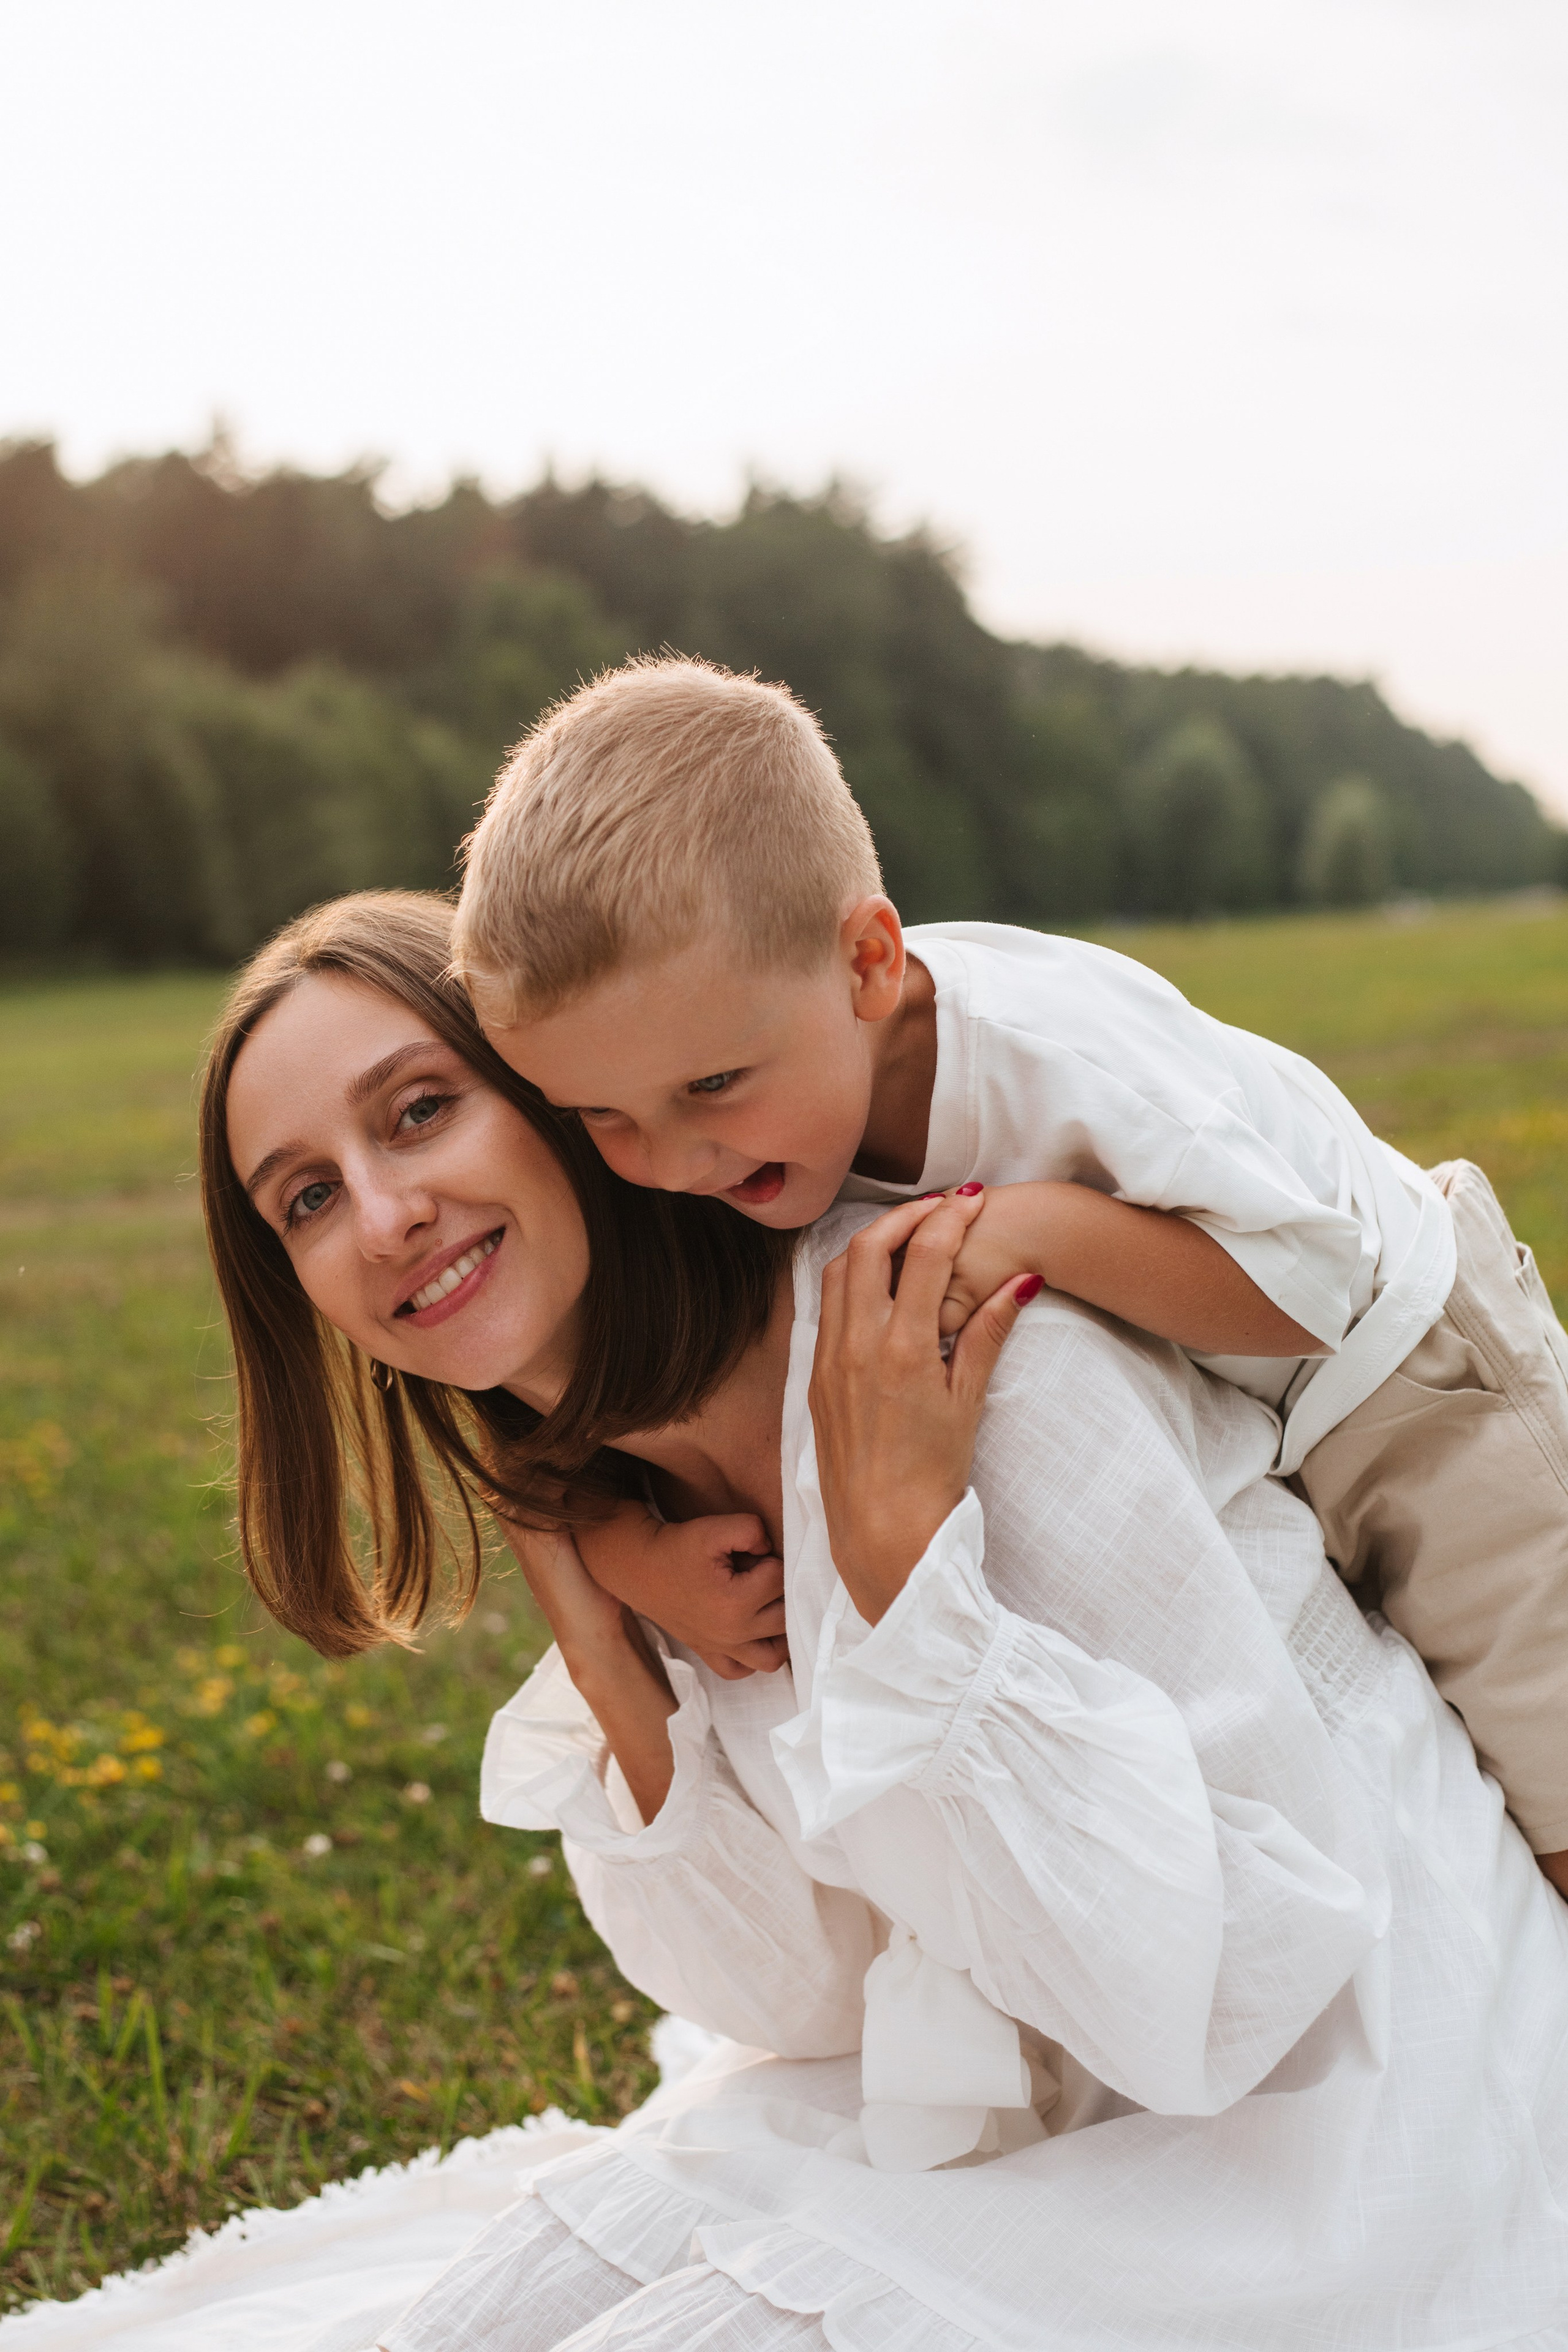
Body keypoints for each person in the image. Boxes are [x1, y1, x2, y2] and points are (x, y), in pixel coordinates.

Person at [202, 891, 1568, 2350]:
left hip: (1338, 2086)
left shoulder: (966, 1351)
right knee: (465, 2327)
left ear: (564, 1101)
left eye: (416, 1114)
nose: (384, 1215)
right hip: (993, 2068)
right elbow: (804, 2003)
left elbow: (1225, 1990)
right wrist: (609, 1663)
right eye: (308, 1197)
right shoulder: (636, 1520)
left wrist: (905, 1581)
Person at [451, 654, 1568, 1889]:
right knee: (1451, 1814)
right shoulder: (755, 1084)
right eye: (600, 1118)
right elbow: (610, 1410)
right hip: (1269, 1445)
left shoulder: (1057, 1052)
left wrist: (1037, 1230)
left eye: (710, 1088)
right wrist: (622, 1551)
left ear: (869, 963)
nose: (665, 1162)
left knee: (1556, 1793)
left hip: (1421, 1383)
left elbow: (1311, 1291)